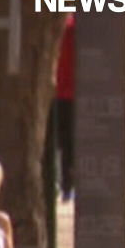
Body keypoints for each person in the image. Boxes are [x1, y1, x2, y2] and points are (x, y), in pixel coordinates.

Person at [52, 13, 75, 202]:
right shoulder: (76, 28)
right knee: (70, 144)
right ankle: (68, 186)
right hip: (73, 93)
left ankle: (59, 183)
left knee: (55, 142)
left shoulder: (59, 26)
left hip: (55, 92)